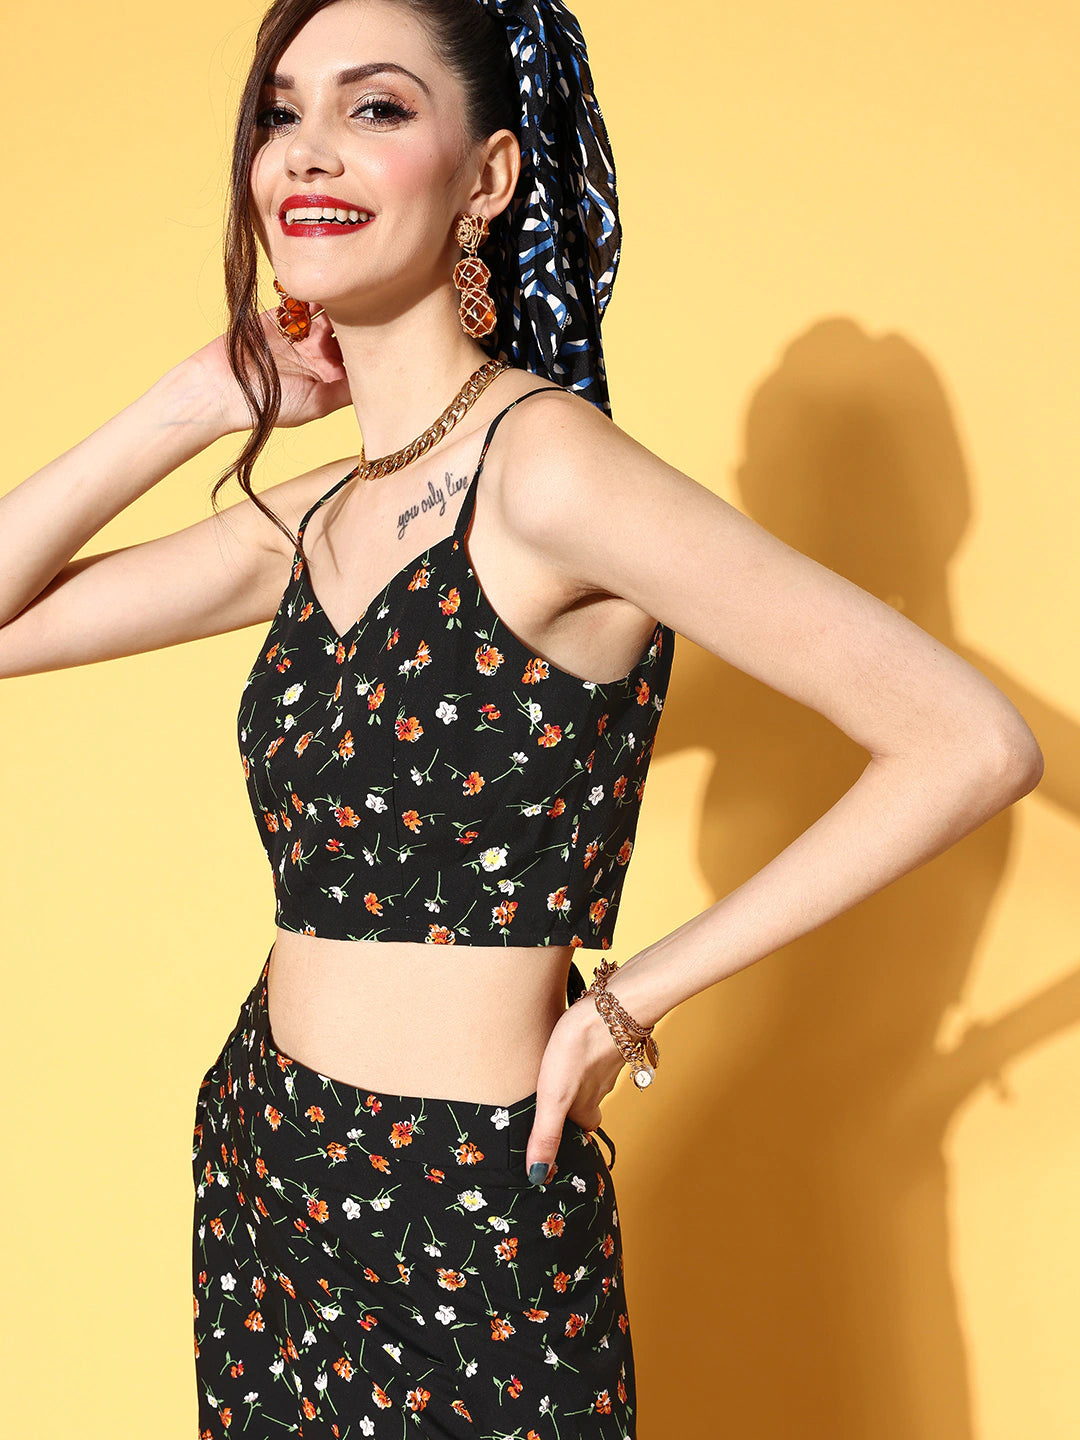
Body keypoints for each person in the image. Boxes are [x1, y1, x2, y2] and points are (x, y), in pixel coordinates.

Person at [0, 0, 1043, 1436]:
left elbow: (974, 742)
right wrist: (202, 397)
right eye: (282, 111)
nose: (308, 149)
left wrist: (629, 999)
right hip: (264, 1152)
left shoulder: (550, 470)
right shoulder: (325, 509)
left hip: (461, 1201)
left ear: (486, 177)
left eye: (375, 107)